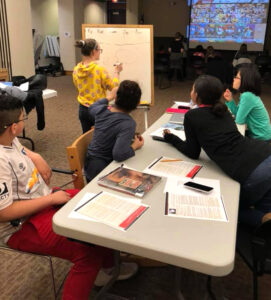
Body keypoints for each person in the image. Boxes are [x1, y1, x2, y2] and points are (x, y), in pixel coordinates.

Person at [0, 92, 137, 299]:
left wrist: (36, 156)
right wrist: (50, 199)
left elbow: (19, 149)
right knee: (87, 252)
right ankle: (98, 264)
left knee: (98, 199)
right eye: (22, 119)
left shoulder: (8, 137)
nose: (23, 122)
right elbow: (4, 212)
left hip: (41, 201)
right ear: (13, 127)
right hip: (20, 226)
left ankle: (107, 267)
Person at [163, 75, 271, 228]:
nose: (191, 91)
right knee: (264, 207)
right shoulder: (223, 111)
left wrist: (171, 138)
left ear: (197, 96)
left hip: (252, 170)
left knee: (229, 209)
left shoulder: (192, 116)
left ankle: (260, 220)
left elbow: (192, 152)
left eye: (192, 89)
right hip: (265, 152)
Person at [84, 80, 144, 182]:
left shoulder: (102, 110)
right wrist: (135, 146)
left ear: (116, 98)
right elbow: (119, 155)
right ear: (138, 103)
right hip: (103, 171)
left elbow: (92, 107)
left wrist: (109, 97)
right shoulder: (128, 123)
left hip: (90, 165)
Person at [73, 39, 123, 133]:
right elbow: (113, 88)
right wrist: (117, 72)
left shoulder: (76, 69)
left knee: (86, 137)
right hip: (98, 109)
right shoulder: (99, 69)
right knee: (102, 137)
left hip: (83, 109)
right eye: (99, 50)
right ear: (93, 52)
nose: (100, 52)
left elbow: (77, 87)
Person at [224, 64, 271, 141]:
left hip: (261, 137)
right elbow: (238, 113)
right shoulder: (247, 94)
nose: (233, 79)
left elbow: (239, 120)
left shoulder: (247, 96)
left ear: (245, 81)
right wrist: (230, 100)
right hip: (259, 134)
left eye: (236, 77)